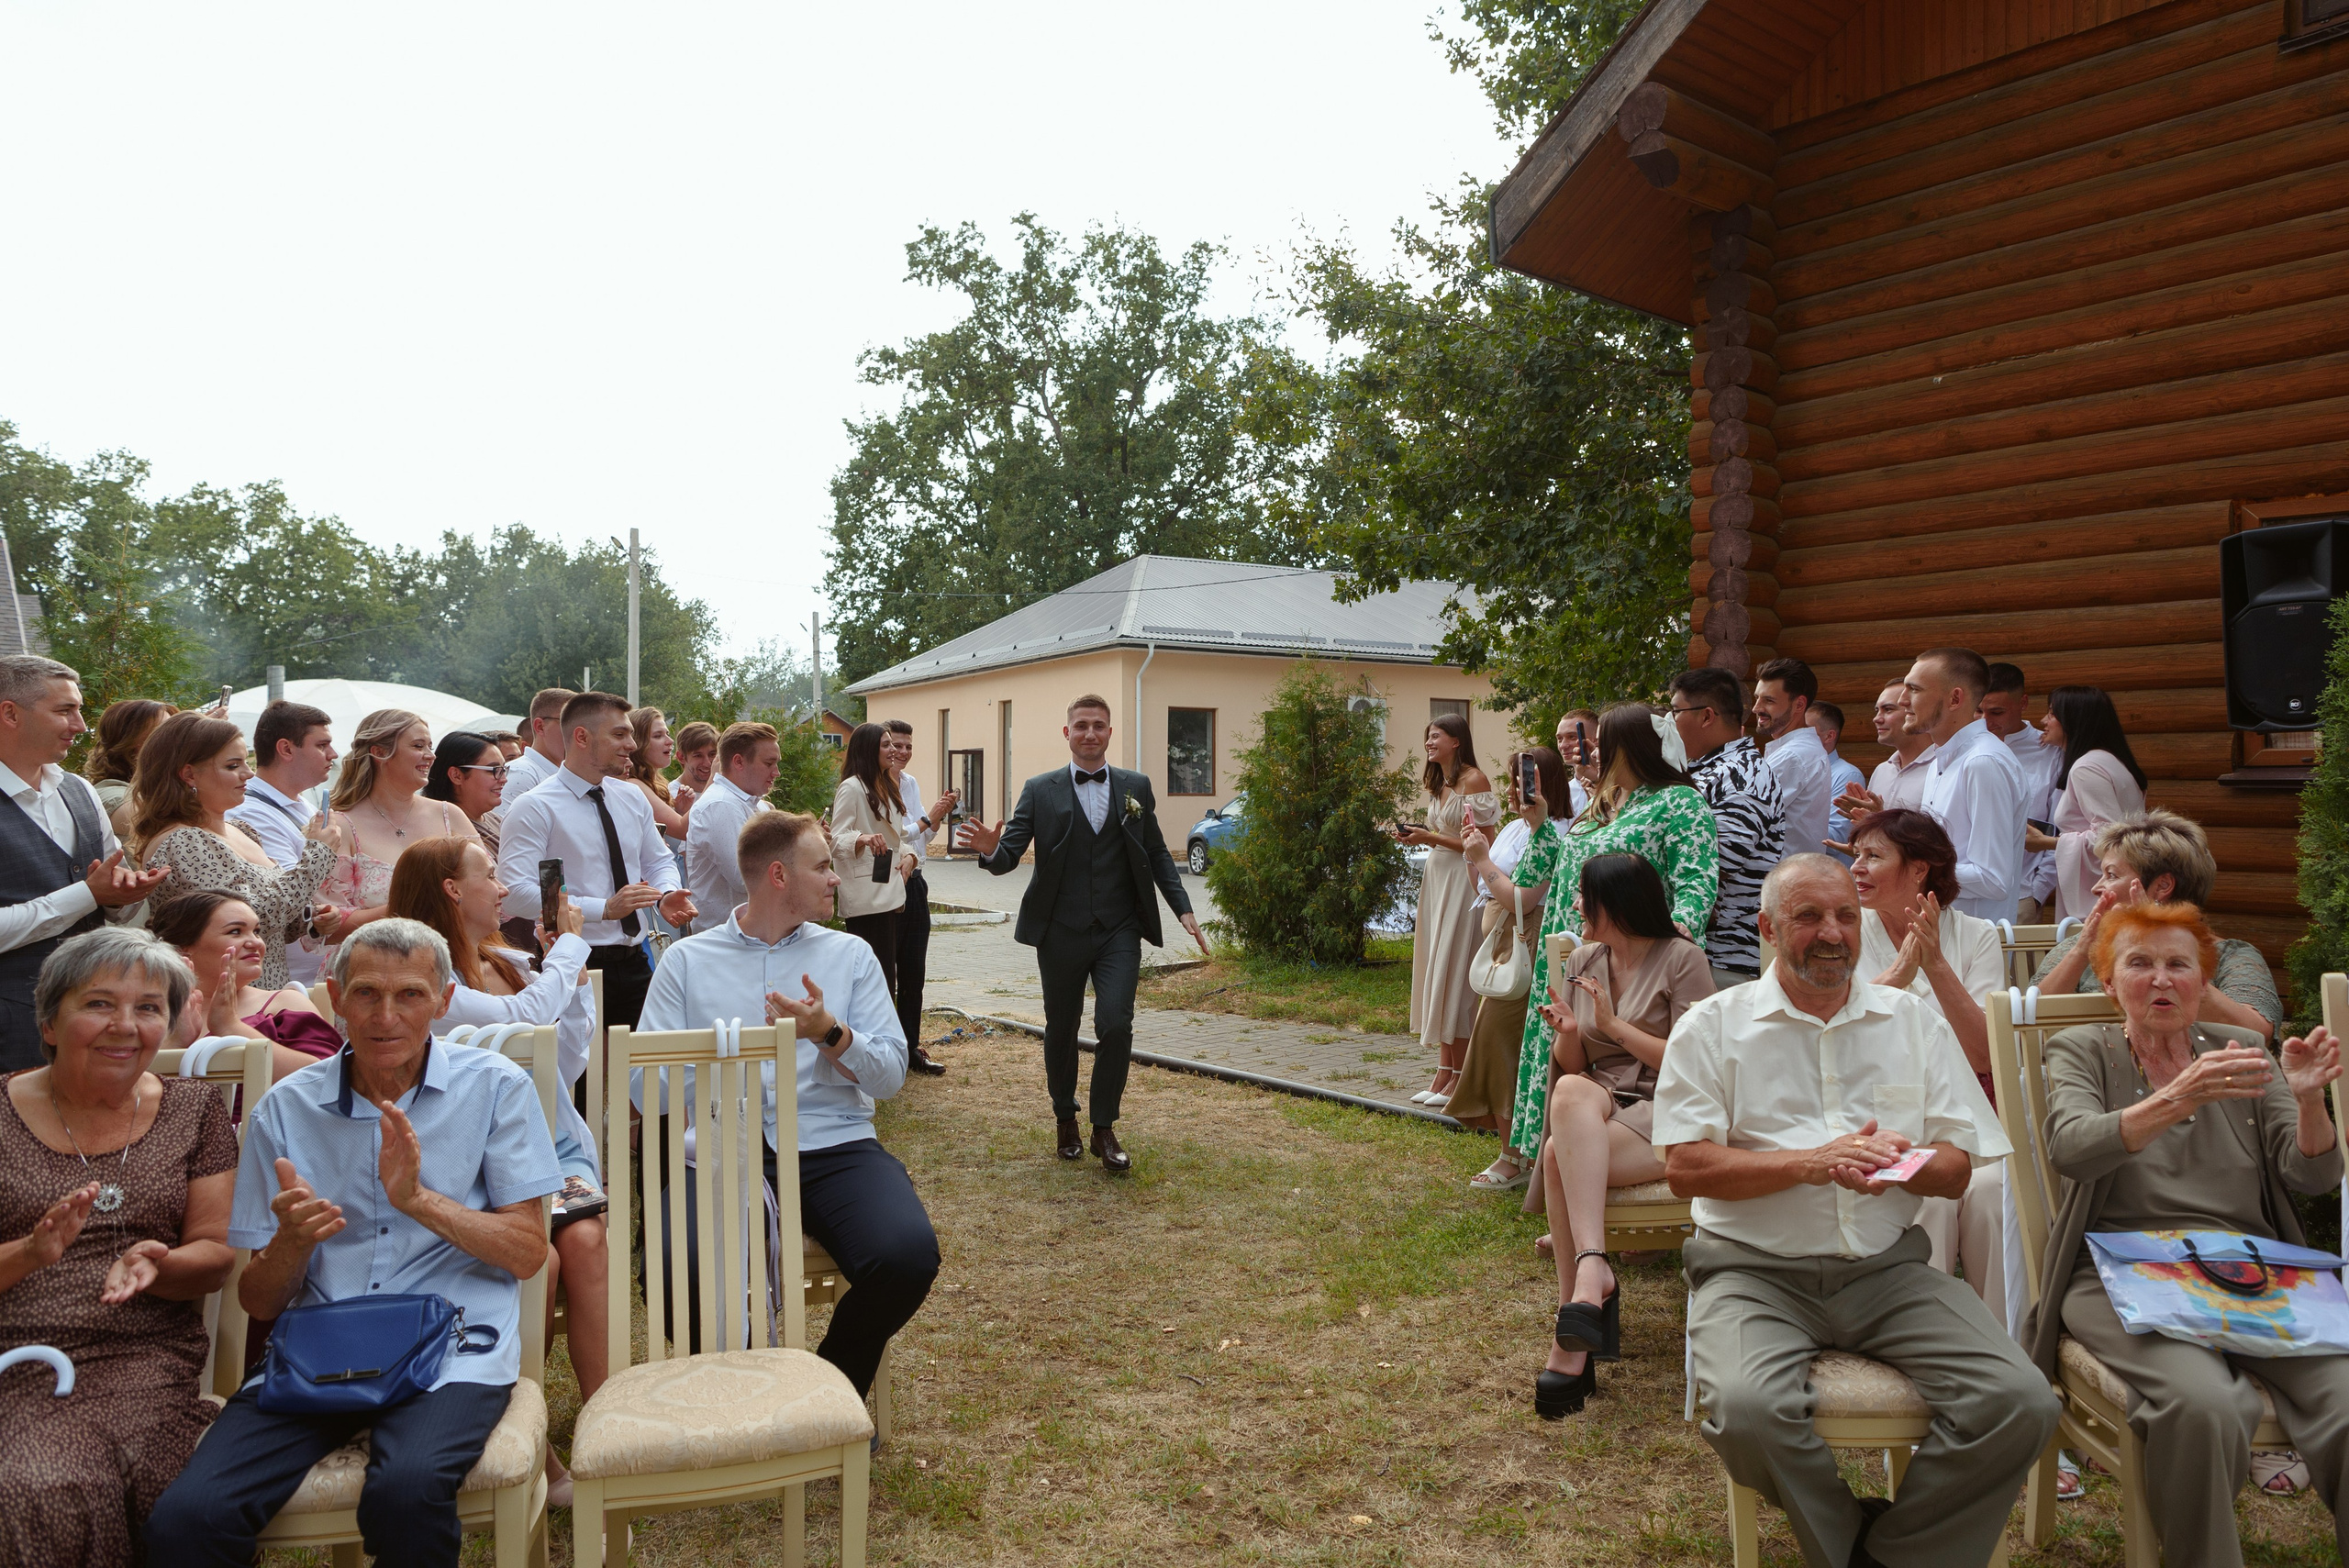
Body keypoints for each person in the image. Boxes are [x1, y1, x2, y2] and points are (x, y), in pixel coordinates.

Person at [1658, 855, 2056, 1568]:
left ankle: (1886, 1555)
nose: (1833, 932)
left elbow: (1958, 1168)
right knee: (1748, 1412)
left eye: (1846, 915)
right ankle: (1851, 1538)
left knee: (2021, 1399)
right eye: (1808, 916)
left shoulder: (1911, 1022)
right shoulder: (1712, 1026)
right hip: (1753, 1273)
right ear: (1768, 928)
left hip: (1888, 1271)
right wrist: (1809, 1162)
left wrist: (1908, 1164)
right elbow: (1685, 1167)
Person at [148, 918, 561, 1566]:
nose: (385, 1015)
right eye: (366, 993)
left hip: (452, 1348)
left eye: (410, 995)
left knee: (405, 1492)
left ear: (445, 1001)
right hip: (321, 1350)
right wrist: (292, 1242)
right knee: (186, 1517)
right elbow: (259, 1299)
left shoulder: (495, 1086)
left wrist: (419, 1200)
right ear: (334, 996)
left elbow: (528, 1250)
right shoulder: (284, 1109)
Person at [2026, 901, 2349, 1567]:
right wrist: (2178, 1096)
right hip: (2121, 1269)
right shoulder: (2082, 1048)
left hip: (2254, 1272)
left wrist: (2312, 1099)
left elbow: (2311, 1174)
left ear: (2204, 981)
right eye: (2139, 963)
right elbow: (2070, 1146)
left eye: (2180, 964)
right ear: (2109, 983)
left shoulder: (2246, 1052)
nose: (2162, 979)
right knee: (2204, 1405)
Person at [637, 809, 936, 1395]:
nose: (835, 878)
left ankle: (824, 1391)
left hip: (833, 1143)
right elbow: (646, 1090)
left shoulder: (850, 957)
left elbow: (891, 1075)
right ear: (778, 876)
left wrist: (831, 1033)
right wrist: (724, 1059)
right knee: (675, 1272)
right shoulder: (686, 961)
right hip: (722, 1148)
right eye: (822, 866)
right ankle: (748, 1388)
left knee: (905, 1257)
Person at [0, 928, 235, 1566]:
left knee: (154, 1486)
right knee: (36, 1483)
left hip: (145, 1358)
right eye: (99, 1003)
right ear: (48, 1022)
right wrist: (28, 1253)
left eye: (149, 1007)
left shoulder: (195, 1110)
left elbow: (215, 1254)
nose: (125, 1026)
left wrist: (156, 1264)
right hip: (15, 1355)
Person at [388, 835, 609, 1497]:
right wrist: (569, 950)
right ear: (453, 889)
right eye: (488, 875)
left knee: (588, 1241)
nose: (504, 889)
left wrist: (557, 971)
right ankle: (526, 1435)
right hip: (473, 1157)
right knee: (536, 1259)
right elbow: (522, 1024)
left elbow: (562, 1059)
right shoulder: (425, 979)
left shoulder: (510, 960)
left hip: (550, 1140)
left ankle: (603, 1424)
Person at [1463, 702, 1716, 1173]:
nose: (1595, 751)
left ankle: (1605, 1165)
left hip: (1632, 957)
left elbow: (1697, 877)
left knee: (1611, 1063)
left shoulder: (1679, 800)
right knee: (1557, 1052)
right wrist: (1538, 825)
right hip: (1568, 949)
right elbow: (1556, 869)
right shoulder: (1605, 799)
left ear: (1632, 746)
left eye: (1605, 743)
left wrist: (1677, 937)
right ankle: (1549, 1164)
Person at [957, 695, 1204, 1173]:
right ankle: (1064, 1116)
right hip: (1061, 930)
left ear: (1110, 733)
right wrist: (990, 850)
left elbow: (1154, 852)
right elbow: (1009, 854)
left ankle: (1104, 1127)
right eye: (1081, 726)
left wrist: (1182, 907)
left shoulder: (1137, 787)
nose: (1090, 733)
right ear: (1066, 733)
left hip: (1119, 929)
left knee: (1115, 1023)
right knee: (1061, 1028)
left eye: (1099, 726)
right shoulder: (1039, 789)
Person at [1526, 852, 1712, 1418]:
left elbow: (1692, 1064)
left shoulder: (1683, 959)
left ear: (1619, 904)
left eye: (1586, 897)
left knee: (1560, 1154)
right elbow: (1575, 1062)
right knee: (1570, 1091)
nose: (1577, 905)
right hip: (1601, 1098)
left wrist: (1611, 1025)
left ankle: (1575, 1323)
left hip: (1668, 1105)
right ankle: (1592, 1271)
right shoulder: (1584, 958)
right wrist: (1571, 1032)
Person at [1845, 809, 2008, 1306]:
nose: (1856, 868)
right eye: (1856, 855)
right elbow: (1834, 1029)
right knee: (1927, 1202)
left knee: (1991, 1197)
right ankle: (1926, 1343)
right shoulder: (1845, 933)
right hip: (1873, 1113)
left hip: (1966, 1110)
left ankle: (2010, 1352)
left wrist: (1935, 962)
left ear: (1919, 869)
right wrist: (1897, 976)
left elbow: (1985, 1054)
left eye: (1873, 856)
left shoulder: (1976, 937)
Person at [0, 656, 166, 1071]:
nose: (80, 725)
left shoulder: (78, 790)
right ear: (9, 713)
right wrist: (87, 894)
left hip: (94, 1025)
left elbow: (110, 899)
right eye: (64, 711)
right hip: (11, 1031)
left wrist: (125, 893)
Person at [495, 691, 695, 1029]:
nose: (632, 744)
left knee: (642, 1076)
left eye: (630, 733)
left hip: (635, 961)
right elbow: (514, 892)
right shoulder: (535, 806)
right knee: (580, 1080)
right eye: (619, 734)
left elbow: (659, 860)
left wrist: (665, 893)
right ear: (582, 737)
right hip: (573, 964)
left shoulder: (630, 796)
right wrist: (603, 908)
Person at [2031, 810, 2281, 1036]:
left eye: (2111, 875)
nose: (2097, 888)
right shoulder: (2082, 948)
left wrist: (2165, 946)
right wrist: (2082, 950)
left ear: (2162, 886)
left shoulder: (2232, 957)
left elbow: (2258, 1033)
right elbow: (2027, 1020)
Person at [135, 712, 334, 994]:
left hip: (266, 994)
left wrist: (309, 921)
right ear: (189, 774)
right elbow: (245, 919)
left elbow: (266, 926)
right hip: (221, 1000)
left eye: (246, 762)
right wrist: (318, 855)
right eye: (232, 765)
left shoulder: (242, 829)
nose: (249, 774)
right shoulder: (183, 841)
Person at [1454, 746, 1567, 1190]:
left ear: (1550, 782)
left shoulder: (1557, 829)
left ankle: (1514, 1157)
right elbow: (1484, 889)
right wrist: (1474, 853)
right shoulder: (1515, 828)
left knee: (1503, 1042)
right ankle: (1513, 1150)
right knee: (1498, 1041)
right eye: (1516, 777)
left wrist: (1482, 861)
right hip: (1504, 942)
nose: (1519, 785)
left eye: (1530, 778)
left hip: (1530, 943)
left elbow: (1523, 899)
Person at [1843, 647, 2025, 922]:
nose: (1904, 701)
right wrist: (1890, 839)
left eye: (1914, 690)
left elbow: (1993, 879)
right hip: (1932, 932)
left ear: (1955, 698)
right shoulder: (1941, 760)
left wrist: (1907, 865)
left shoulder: (1983, 762)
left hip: (1970, 945)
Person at [1400, 714, 1497, 1107]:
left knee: (1455, 970)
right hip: (1437, 880)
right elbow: (1442, 836)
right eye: (1427, 737)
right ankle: (1443, 1071)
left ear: (1457, 740)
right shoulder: (1438, 782)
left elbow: (1483, 842)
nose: (1429, 743)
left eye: (1436, 736)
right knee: (1437, 966)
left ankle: (1460, 1076)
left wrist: (1431, 837)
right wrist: (1419, 838)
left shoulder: (1474, 780)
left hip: (1462, 880)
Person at [1667, 667, 1785, 990]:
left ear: (1707, 716)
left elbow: (1713, 863)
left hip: (1727, 958)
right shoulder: (1704, 769)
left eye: (1675, 712)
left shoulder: (1744, 775)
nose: (1669, 723)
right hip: (1701, 953)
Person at [149, 891, 341, 1078]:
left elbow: (329, 1079)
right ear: (184, 950)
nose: (256, 943)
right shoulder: (146, 1010)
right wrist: (174, 1041)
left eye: (256, 932)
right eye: (235, 932)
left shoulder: (285, 1002)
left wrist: (230, 1026)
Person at [2021, 685, 2148, 922]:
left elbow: (2111, 835)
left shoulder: (2086, 768)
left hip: (2098, 893)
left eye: (2051, 714)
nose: (2043, 720)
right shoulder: (2112, 761)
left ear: (2073, 720)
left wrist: (2046, 842)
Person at [884, 717, 956, 1075]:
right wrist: (931, 818)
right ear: (882, 746)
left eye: (909, 746)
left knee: (914, 971)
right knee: (885, 973)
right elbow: (898, 833)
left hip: (916, 882)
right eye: (896, 745)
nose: (903, 752)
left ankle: (911, 1047)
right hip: (885, 884)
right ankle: (886, 1051)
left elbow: (921, 838)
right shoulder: (871, 785)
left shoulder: (910, 783)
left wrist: (936, 816)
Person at [830, 722, 908, 998]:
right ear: (868, 750)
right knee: (874, 981)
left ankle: (888, 1037)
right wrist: (862, 838)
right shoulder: (851, 788)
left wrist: (910, 858)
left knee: (889, 978)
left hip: (890, 893)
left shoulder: (887, 785)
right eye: (886, 745)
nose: (894, 750)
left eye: (893, 744)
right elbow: (836, 841)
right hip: (866, 901)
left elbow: (897, 838)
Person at [684, 720, 778, 924]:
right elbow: (744, 879)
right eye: (769, 764)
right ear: (738, 762)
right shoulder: (720, 804)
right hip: (726, 942)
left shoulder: (756, 804)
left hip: (751, 936)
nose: (776, 772)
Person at [1753, 657, 1833, 865]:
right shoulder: (1794, 751)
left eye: (1768, 701)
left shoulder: (1793, 756)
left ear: (1799, 705)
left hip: (1785, 885)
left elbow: (1746, 818)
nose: (1756, 708)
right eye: (1757, 698)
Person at [1835, 681, 1938, 836]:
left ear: (1914, 712)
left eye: (1888, 709)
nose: (1876, 718)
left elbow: (1941, 839)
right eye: (1877, 710)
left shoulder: (1941, 768)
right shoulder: (1883, 770)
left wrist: (1881, 821)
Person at [83, 698, 175, 840]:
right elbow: (166, 827)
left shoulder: (153, 791)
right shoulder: (111, 794)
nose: (178, 741)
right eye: (165, 733)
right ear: (129, 744)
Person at [421, 730, 509, 856]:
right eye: (493, 770)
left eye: (504, 769)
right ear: (456, 776)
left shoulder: (497, 820)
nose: (503, 779)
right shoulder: (442, 834)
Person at [496, 687, 575, 809]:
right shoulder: (521, 775)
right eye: (568, 722)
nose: (578, 733)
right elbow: (500, 826)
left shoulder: (571, 774)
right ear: (540, 727)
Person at [625, 706, 689, 840]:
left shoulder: (656, 782)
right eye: (658, 736)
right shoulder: (634, 784)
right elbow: (683, 831)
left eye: (667, 734)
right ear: (638, 743)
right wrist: (714, 780)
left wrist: (680, 811)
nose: (670, 741)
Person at [1809, 702, 1865, 803]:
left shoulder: (1846, 775)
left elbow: (1835, 819)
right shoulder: (1792, 768)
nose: (1798, 735)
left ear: (1829, 736)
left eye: (1806, 730)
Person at [669, 720, 718, 819]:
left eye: (712, 754)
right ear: (681, 757)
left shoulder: (724, 792)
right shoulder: (671, 796)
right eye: (698, 756)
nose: (707, 763)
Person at [1553, 708, 1598, 817]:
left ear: (1595, 739)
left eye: (1572, 737)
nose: (1563, 745)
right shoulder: (1560, 795)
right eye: (1559, 739)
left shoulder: (1619, 788)